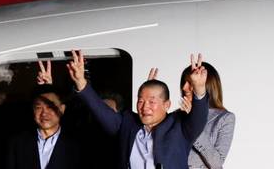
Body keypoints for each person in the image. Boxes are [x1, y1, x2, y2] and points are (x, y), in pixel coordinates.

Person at [68, 50, 209, 169]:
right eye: (140, 101)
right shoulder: (127, 123)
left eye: (152, 101)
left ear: (167, 105)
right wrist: (82, 84)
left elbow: (199, 118)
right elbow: (101, 111)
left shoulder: (179, 126)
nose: (145, 106)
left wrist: (199, 88)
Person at [5, 82, 87, 169]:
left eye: (50, 107)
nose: (44, 113)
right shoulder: (17, 143)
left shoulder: (77, 145)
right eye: (38, 107)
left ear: (62, 109)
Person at [178, 63, 235, 169]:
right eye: (184, 82)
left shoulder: (224, 118)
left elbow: (216, 163)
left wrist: (194, 122)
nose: (184, 87)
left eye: (190, 83)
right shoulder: (178, 116)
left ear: (205, 84)